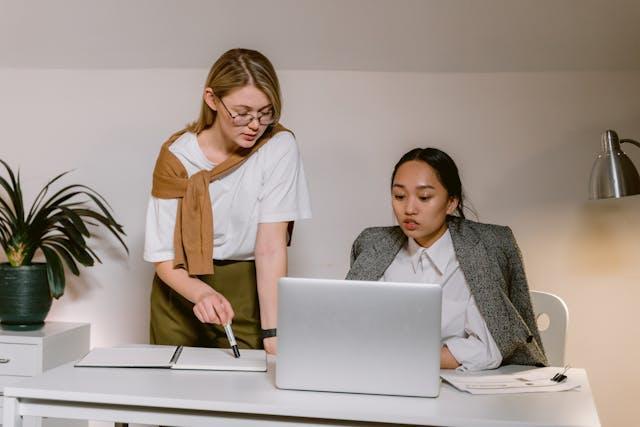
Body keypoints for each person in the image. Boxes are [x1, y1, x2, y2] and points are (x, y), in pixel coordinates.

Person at [144, 48, 311, 355]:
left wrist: (274, 333)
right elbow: (163, 256)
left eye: (265, 112)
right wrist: (201, 292)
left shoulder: (278, 147)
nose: (254, 124)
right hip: (181, 289)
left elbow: (271, 247)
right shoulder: (177, 157)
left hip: (248, 287)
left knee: (249, 389)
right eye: (242, 112)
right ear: (212, 100)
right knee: (173, 393)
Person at [346, 148, 547, 370]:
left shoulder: (484, 250)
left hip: (459, 385)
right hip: (377, 377)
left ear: (451, 202)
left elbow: (489, 348)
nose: (409, 209)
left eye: (424, 197)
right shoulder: (372, 245)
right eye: (399, 196)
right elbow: (351, 326)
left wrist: (407, 360)